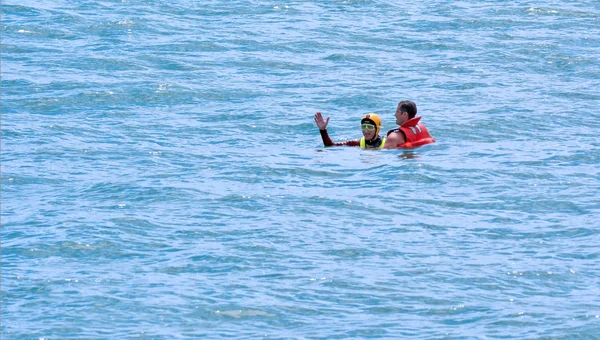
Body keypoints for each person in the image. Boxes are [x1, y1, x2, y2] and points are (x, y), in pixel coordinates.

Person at [314, 112, 386, 149]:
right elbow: (331, 146)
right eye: (363, 127)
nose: (366, 131)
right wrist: (322, 130)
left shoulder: (387, 144)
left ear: (377, 129)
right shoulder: (357, 143)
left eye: (370, 127)